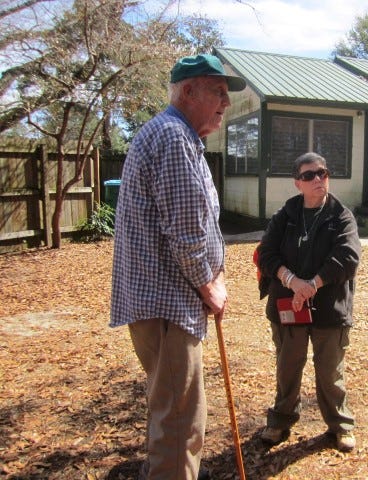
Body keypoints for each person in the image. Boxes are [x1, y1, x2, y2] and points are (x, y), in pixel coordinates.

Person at [110, 54, 246, 480]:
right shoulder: (172, 137)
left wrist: (215, 273)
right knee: (179, 424)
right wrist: (211, 285)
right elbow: (186, 234)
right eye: (218, 92)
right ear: (188, 92)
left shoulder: (179, 138)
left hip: (166, 305)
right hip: (167, 306)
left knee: (177, 415)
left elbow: (197, 225)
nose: (226, 103)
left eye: (227, 95)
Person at [256, 152, 361, 452]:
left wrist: (311, 286)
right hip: (288, 309)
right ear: (297, 183)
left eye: (323, 173)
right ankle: (280, 420)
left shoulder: (342, 215)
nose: (318, 179)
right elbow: (266, 254)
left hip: (329, 310)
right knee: (287, 366)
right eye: (309, 175)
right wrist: (292, 283)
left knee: (330, 371)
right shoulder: (284, 216)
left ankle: (340, 425)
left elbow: (348, 258)